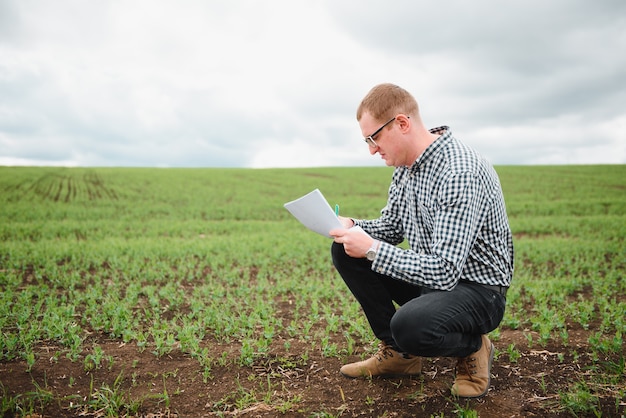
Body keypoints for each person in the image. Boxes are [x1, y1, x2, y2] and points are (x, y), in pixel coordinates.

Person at [329, 83, 514, 398]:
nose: (372, 149)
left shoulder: (459, 171)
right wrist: (353, 226)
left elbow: (444, 270)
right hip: (436, 282)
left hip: (479, 292)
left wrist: (372, 248)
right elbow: (391, 226)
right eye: (367, 141)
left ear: (402, 124)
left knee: (410, 325)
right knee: (346, 250)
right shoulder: (405, 168)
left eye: (374, 138)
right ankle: (401, 356)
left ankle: (473, 347)